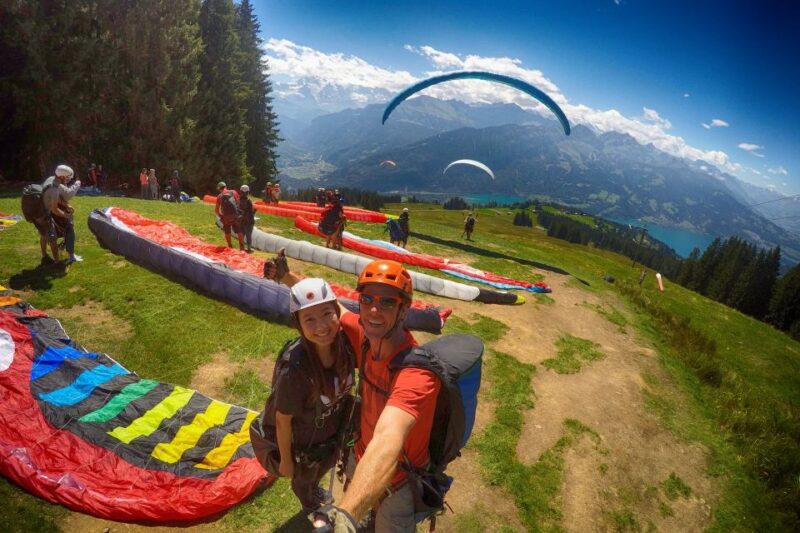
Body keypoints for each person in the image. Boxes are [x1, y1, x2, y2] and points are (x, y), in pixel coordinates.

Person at [269, 258, 440, 532]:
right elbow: (327, 307)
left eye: (387, 302)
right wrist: (288, 278)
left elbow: (388, 441)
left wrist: (345, 517)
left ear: (404, 310)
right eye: (367, 298)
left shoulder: (416, 373)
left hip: (398, 479)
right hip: (359, 455)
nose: (374, 309)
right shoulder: (364, 334)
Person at [251, 277, 356, 527]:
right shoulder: (296, 369)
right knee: (305, 479)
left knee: (324, 466)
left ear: (336, 311)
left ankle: (314, 488)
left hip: (330, 432)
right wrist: (287, 461)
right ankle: (309, 502)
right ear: (298, 324)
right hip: (305, 444)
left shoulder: (346, 346)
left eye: (326, 314)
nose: (321, 326)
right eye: (309, 319)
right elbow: (282, 420)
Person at [41, 164, 82, 264]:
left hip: (41, 212)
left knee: (44, 235)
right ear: (62, 177)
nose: (68, 180)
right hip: (48, 214)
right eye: (67, 177)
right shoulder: (54, 189)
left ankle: (44, 256)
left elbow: (54, 198)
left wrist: (65, 205)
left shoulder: (50, 180)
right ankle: (59, 261)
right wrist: (66, 215)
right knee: (60, 234)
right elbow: (55, 209)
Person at [215, 181, 245, 250]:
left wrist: (221, 216)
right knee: (239, 231)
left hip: (226, 218)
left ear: (219, 189)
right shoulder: (233, 192)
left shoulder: (219, 196)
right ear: (226, 186)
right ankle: (242, 247)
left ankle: (230, 246)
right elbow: (238, 203)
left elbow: (216, 210)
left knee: (227, 231)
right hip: (235, 215)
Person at [239, 184, 255, 252]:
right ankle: (249, 248)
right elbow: (251, 212)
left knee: (242, 234)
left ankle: (241, 247)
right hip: (248, 221)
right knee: (249, 235)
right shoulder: (249, 201)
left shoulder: (238, 200)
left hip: (241, 220)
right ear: (248, 192)